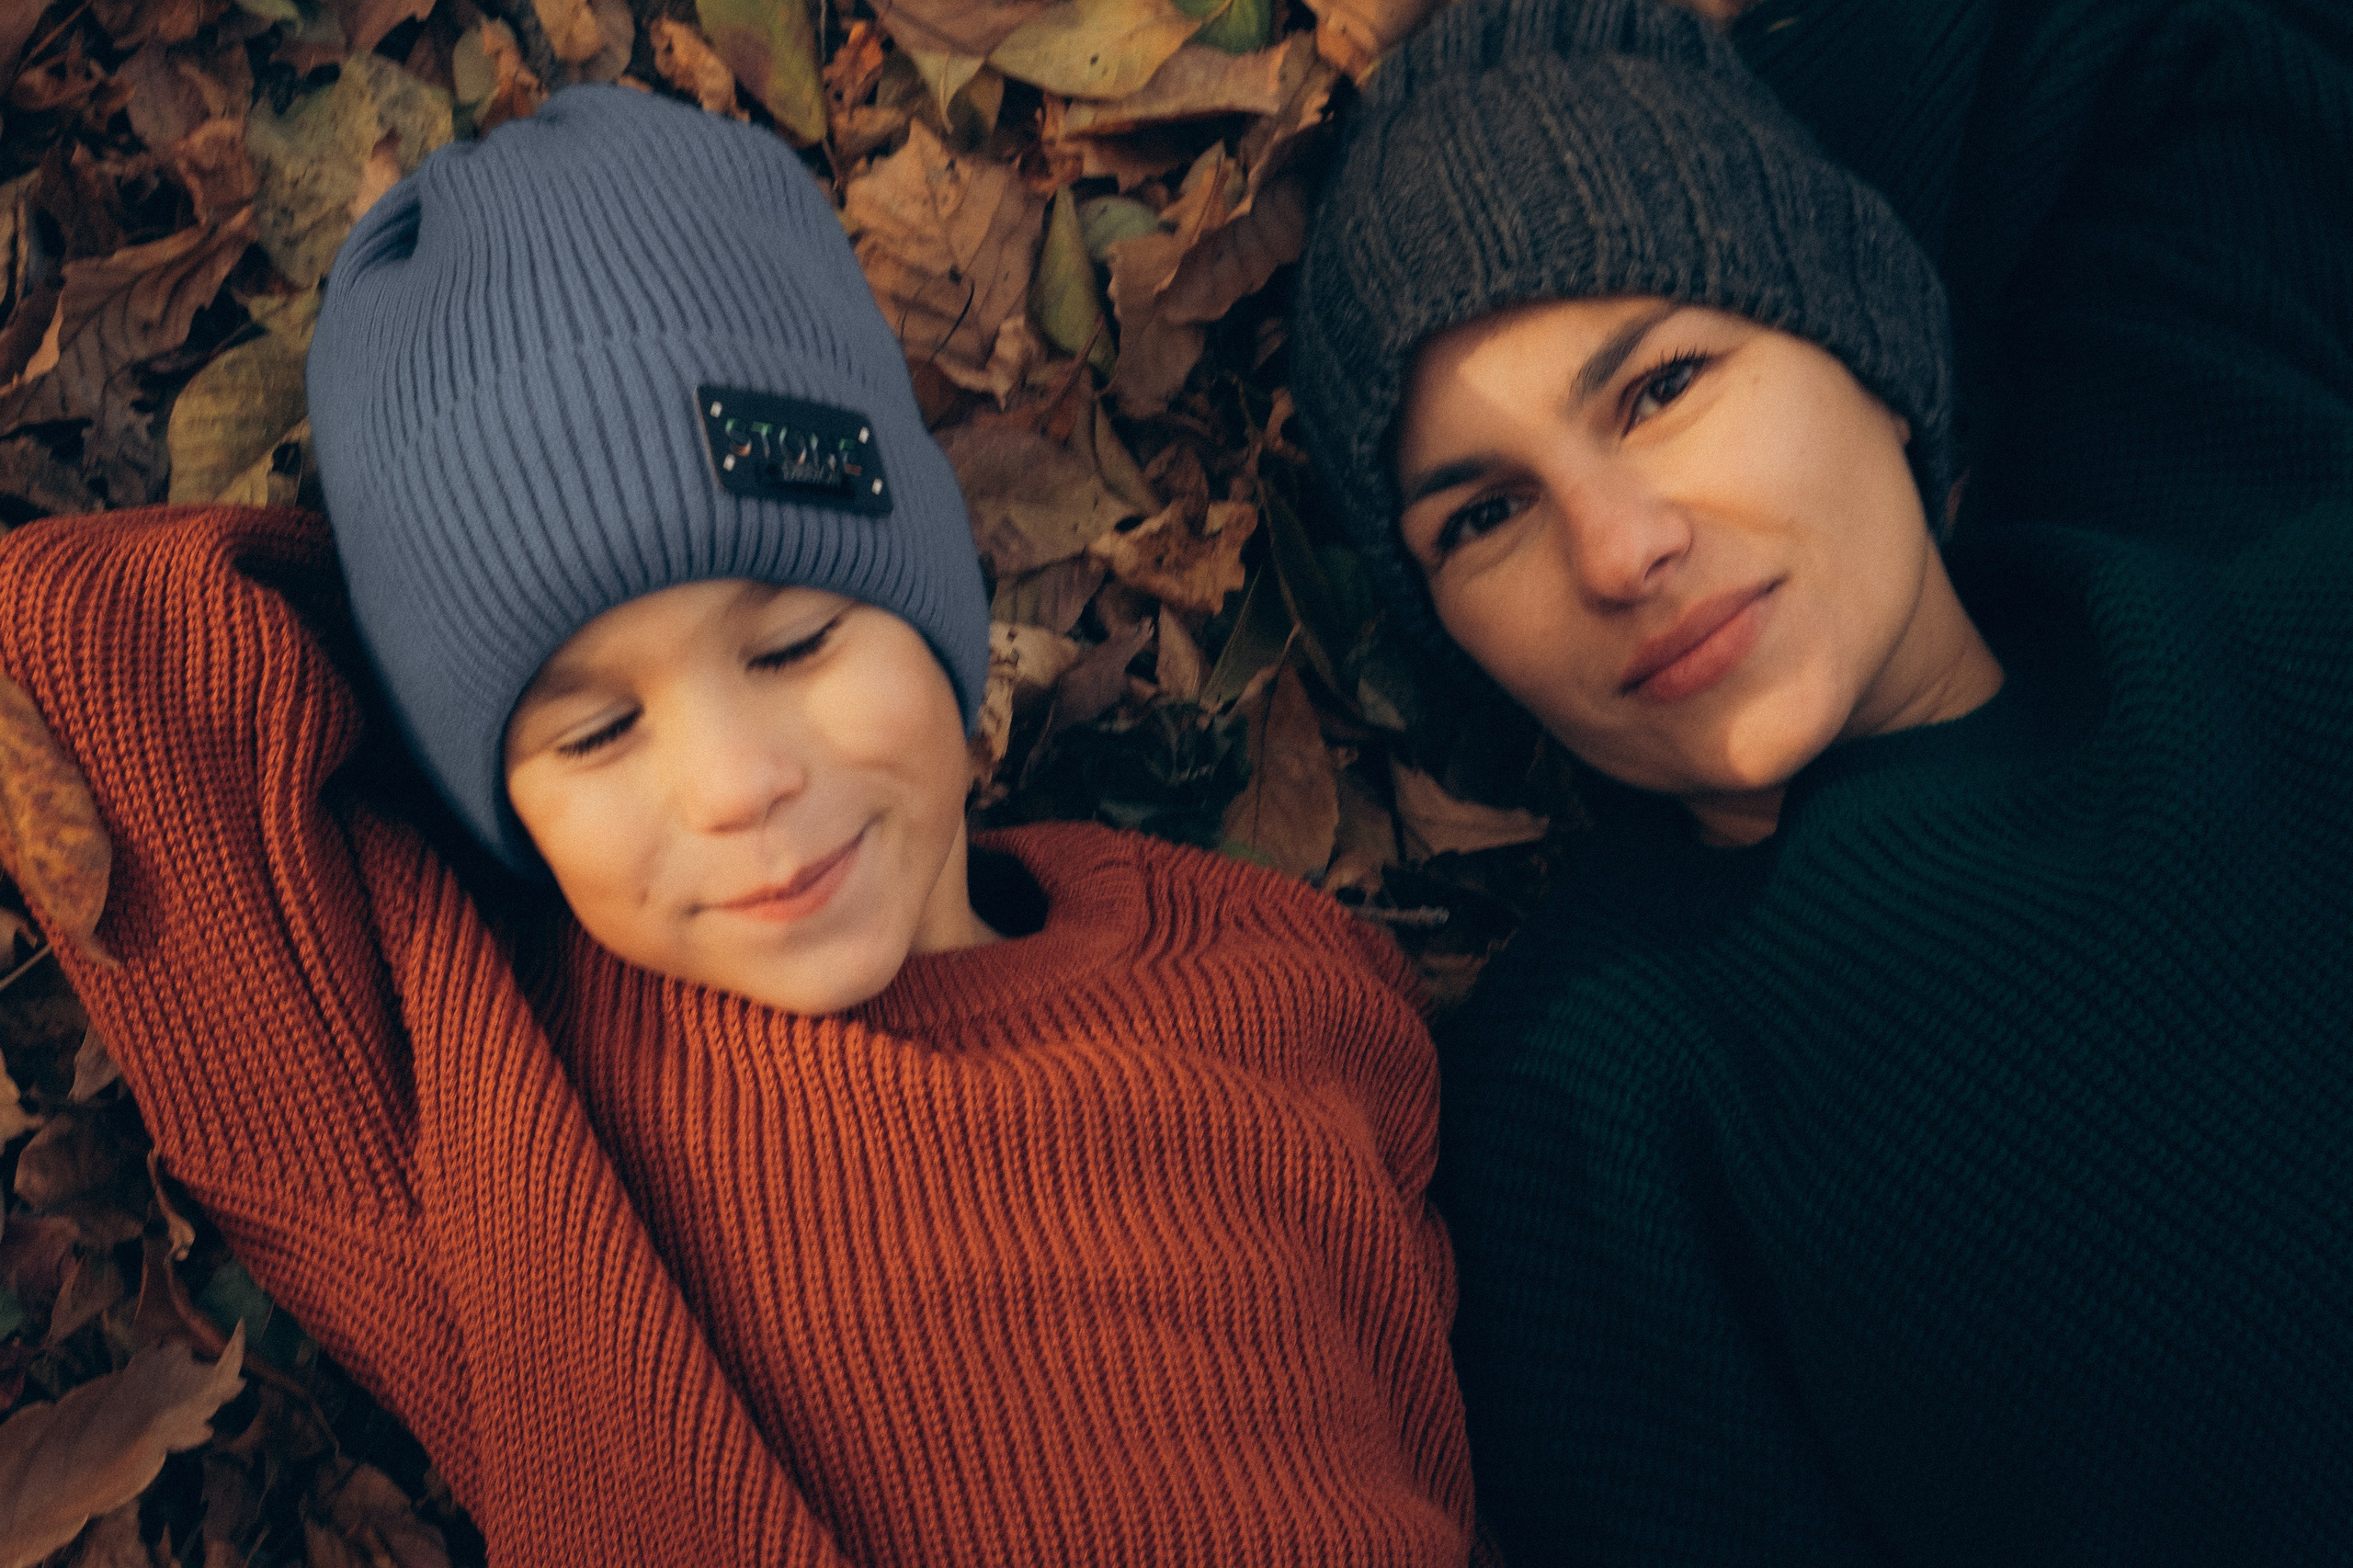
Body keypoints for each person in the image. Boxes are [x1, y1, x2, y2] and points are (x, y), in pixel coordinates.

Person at [0, 86, 1474, 1566]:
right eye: (595, 729)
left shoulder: (1281, 976)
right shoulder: (491, 1108)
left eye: (796, 645)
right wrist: (420, 651)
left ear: (934, 606)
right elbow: (86, 646)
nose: (734, 783)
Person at [1290, 0, 2353, 1561]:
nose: (1620, 547)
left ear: (1862, 329)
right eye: (1483, 516)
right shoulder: (1596, 1106)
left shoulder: (2259, 585)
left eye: (1661, 384)